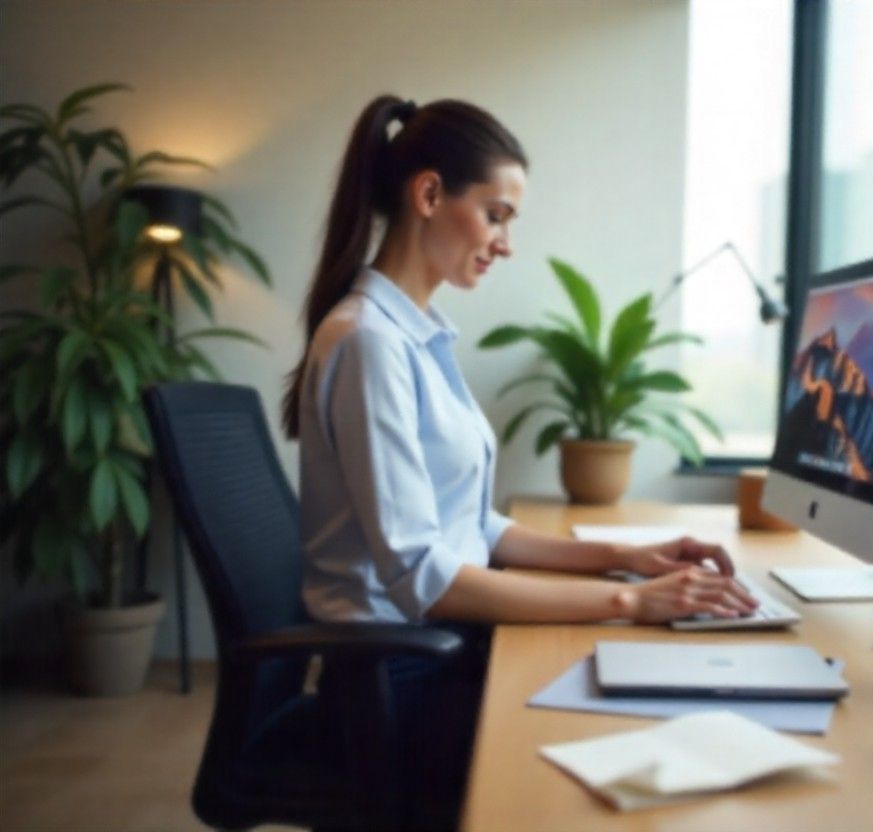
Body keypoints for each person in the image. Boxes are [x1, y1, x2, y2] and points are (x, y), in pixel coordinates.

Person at [281, 95, 756, 828]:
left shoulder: (416, 336)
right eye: (496, 215)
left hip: (427, 654)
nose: (504, 242)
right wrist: (631, 602)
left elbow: (475, 527)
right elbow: (426, 578)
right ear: (430, 195)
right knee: (608, 752)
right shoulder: (369, 341)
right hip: (394, 684)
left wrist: (629, 560)